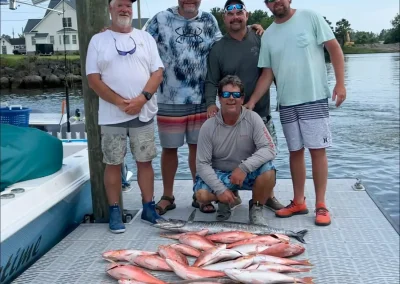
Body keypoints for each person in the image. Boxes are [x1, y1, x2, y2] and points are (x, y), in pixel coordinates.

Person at [144, 0, 265, 216]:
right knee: (169, 149)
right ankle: (167, 196)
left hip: (201, 99)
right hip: (168, 97)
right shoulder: (161, 18)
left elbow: (226, 42)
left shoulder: (209, 20)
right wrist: (114, 31)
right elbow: (141, 42)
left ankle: (198, 193)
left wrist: (252, 27)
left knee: (197, 149)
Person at [246, 0, 347, 226]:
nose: (277, 2)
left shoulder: (310, 17)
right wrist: (252, 101)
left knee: (318, 151)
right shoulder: (269, 34)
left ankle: (321, 204)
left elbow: (334, 48)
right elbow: (267, 74)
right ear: (266, 4)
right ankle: (299, 201)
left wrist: (340, 83)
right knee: (295, 152)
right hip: (287, 102)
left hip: (313, 97)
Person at [86, 0, 165, 233]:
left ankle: (149, 207)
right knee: (113, 163)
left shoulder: (145, 38)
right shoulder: (97, 40)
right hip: (112, 116)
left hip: (143, 113)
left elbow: (157, 72)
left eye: (128, 6)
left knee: (145, 161)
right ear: (110, 9)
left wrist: (142, 98)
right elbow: (93, 79)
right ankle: (114, 211)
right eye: (119, 5)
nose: (124, 10)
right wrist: (120, 102)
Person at [205, 0, 284, 220]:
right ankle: (230, 196)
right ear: (224, 19)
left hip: (261, 113)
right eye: (231, 15)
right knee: (228, 159)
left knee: (267, 160)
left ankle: (266, 197)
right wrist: (211, 103)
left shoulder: (261, 38)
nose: (235, 17)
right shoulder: (218, 48)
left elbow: (271, 71)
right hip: (229, 118)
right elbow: (211, 80)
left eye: (240, 13)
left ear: (246, 16)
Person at [194, 75, 277, 224]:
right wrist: (220, 190)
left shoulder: (253, 119)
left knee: (269, 170)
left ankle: (256, 208)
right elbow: (202, 164)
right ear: (219, 98)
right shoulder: (208, 126)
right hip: (220, 173)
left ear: (242, 98)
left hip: (246, 172)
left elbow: (270, 149)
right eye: (226, 94)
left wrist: (244, 167)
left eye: (236, 94)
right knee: (201, 195)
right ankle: (226, 200)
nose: (231, 98)